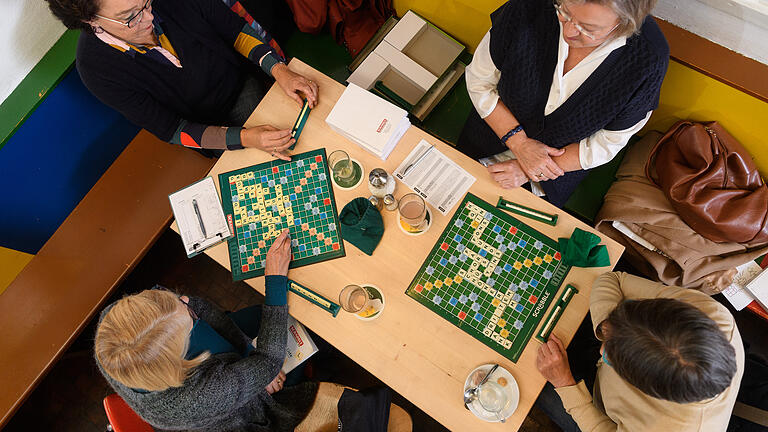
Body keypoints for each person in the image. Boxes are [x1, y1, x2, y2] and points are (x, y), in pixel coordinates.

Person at [94, 230, 412, 431]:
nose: (190, 303)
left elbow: (196, 307)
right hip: (248, 416)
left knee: (289, 318)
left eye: (177, 300)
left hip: (229, 369)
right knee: (317, 328)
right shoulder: (197, 398)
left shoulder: (117, 326)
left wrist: (247, 352)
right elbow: (269, 362)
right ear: (179, 355)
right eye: (187, 316)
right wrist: (274, 280)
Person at [458, 0, 669, 207]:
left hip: (546, 181)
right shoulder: (528, 6)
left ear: (626, 22)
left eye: (588, 28)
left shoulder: (649, 59)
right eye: (565, 12)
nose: (568, 31)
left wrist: (529, 169)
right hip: (482, 145)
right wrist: (519, 143)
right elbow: (480, 81)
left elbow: (607, 143)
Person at [45, 0, 319, 159]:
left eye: (146, 3)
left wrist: (279, 70)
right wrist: (247, 138)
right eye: (130, 17)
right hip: (207, 130)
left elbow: (235, 30)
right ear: (91, 21)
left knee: (308, 139)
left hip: (243, 86)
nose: (149, 16)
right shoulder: (96, 68)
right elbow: (174, 130)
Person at [535, 271, 744, 431]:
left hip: (599, 410)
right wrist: (607, 327)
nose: (602, 351)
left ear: (646, 389)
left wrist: (565, 384)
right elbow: (612, 280)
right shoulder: (713, 316)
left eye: (612, 359)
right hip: (606, 361)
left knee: (532, 385)